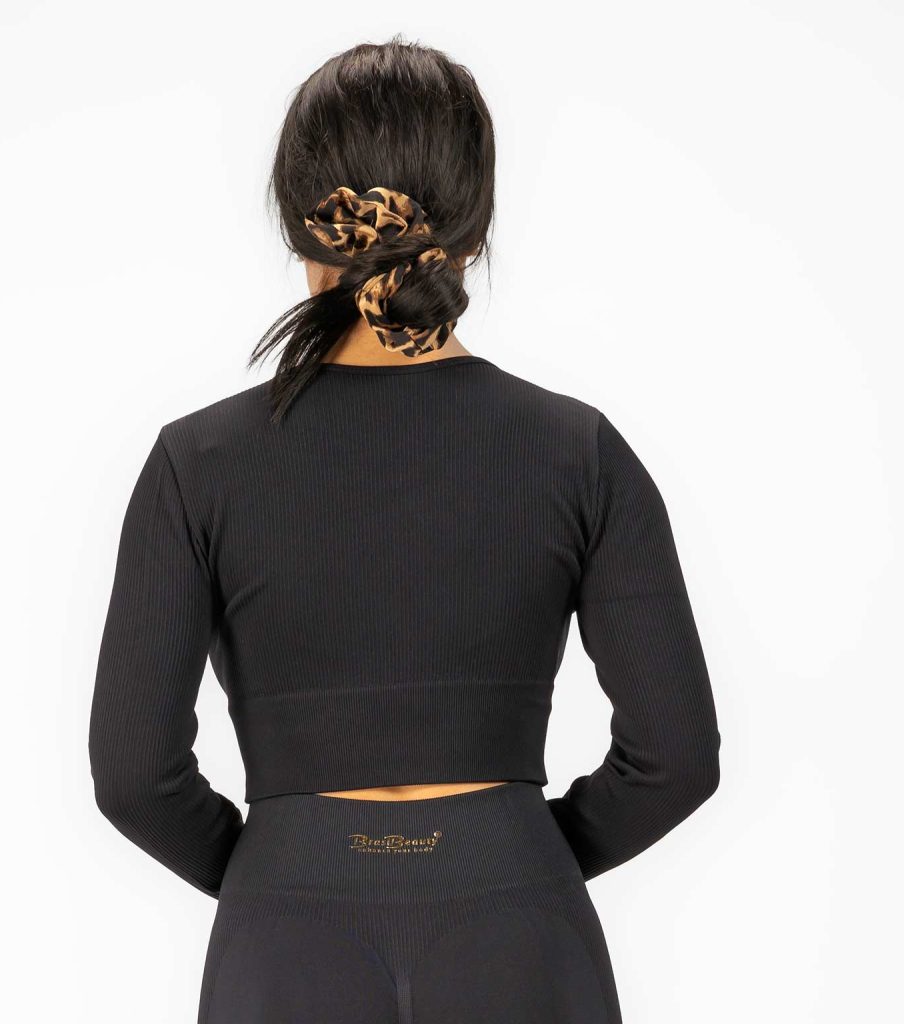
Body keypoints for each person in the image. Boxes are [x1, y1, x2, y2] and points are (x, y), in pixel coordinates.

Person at [88, 36, 721, 1024]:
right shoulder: (579, 452)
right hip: (519, 920)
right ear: (474, 228)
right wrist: (516, 855)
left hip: (284, 930)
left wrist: (279, 867)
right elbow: (676, 756)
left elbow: (134, 777)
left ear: (299, 221)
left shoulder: (196, 463)